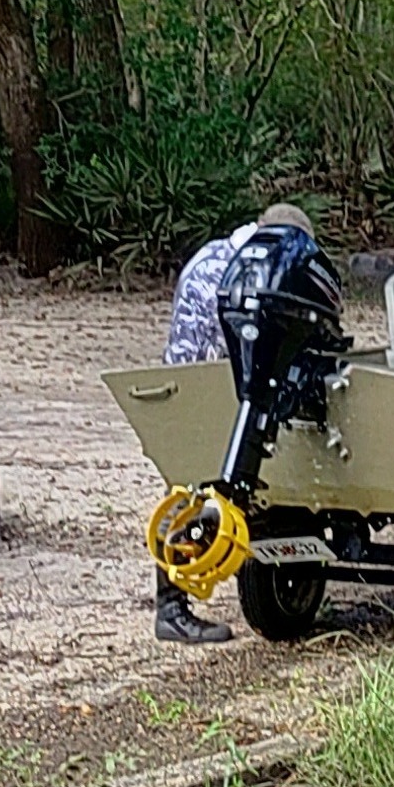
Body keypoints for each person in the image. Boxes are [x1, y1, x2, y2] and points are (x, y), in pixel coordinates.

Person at [151, 211, 260, 644]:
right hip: (201, 383)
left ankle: (180, 596)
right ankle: (172, 607)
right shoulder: (245, 268)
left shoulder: (211, 254)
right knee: (191, 489)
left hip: (186, 379)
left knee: (194, 484)